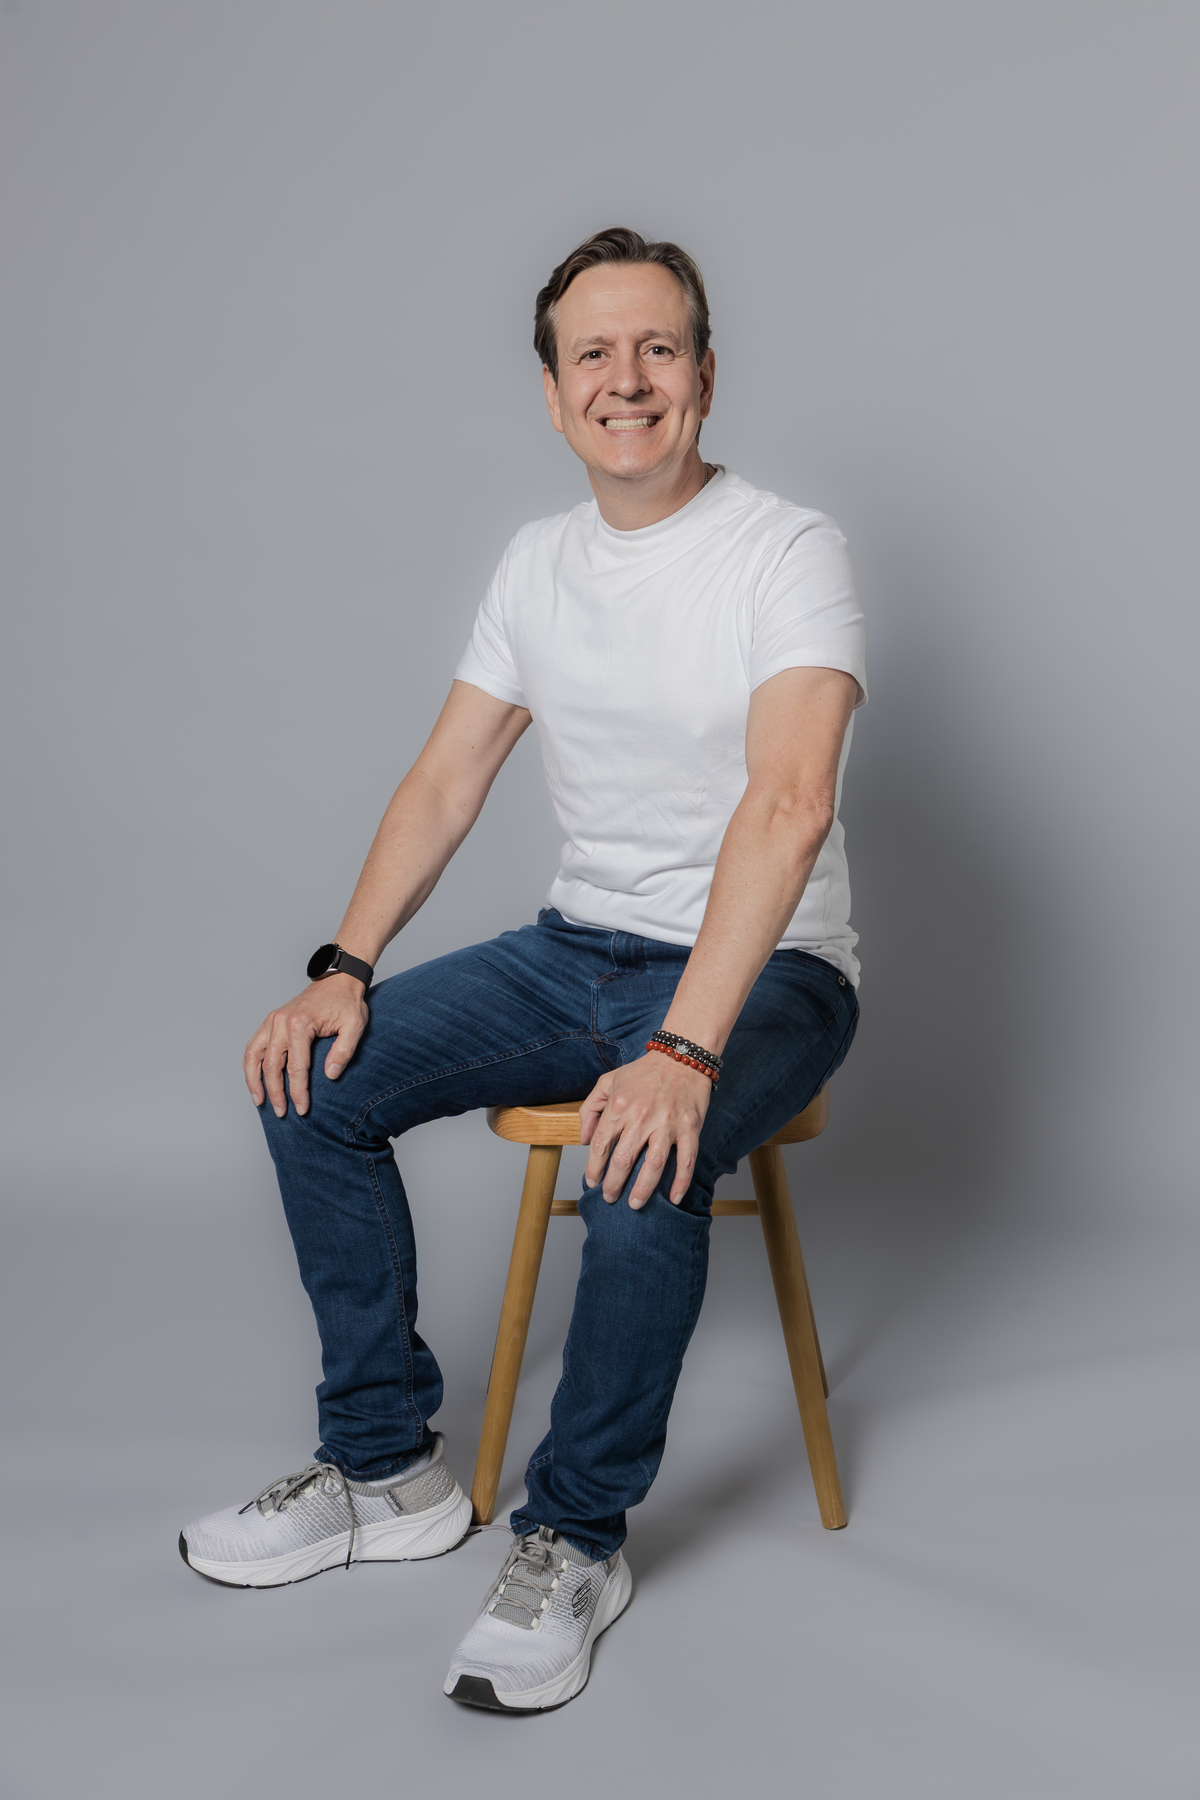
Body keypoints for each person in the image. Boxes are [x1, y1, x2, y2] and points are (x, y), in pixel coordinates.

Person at [179, 227, 867, 1712]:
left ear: (705, 377)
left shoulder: (786, 549)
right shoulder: (537, 563)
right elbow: (446, 780)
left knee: (640, 1154)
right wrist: (343, 966)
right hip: (575, 953)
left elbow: (789, 801)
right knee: (314, 1082)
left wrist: (682, 1053)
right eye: (592, 355)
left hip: (767, 976)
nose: (628, 379)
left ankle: (574, 1537)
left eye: (659, 348)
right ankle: (384, 1468)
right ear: (553, 396)